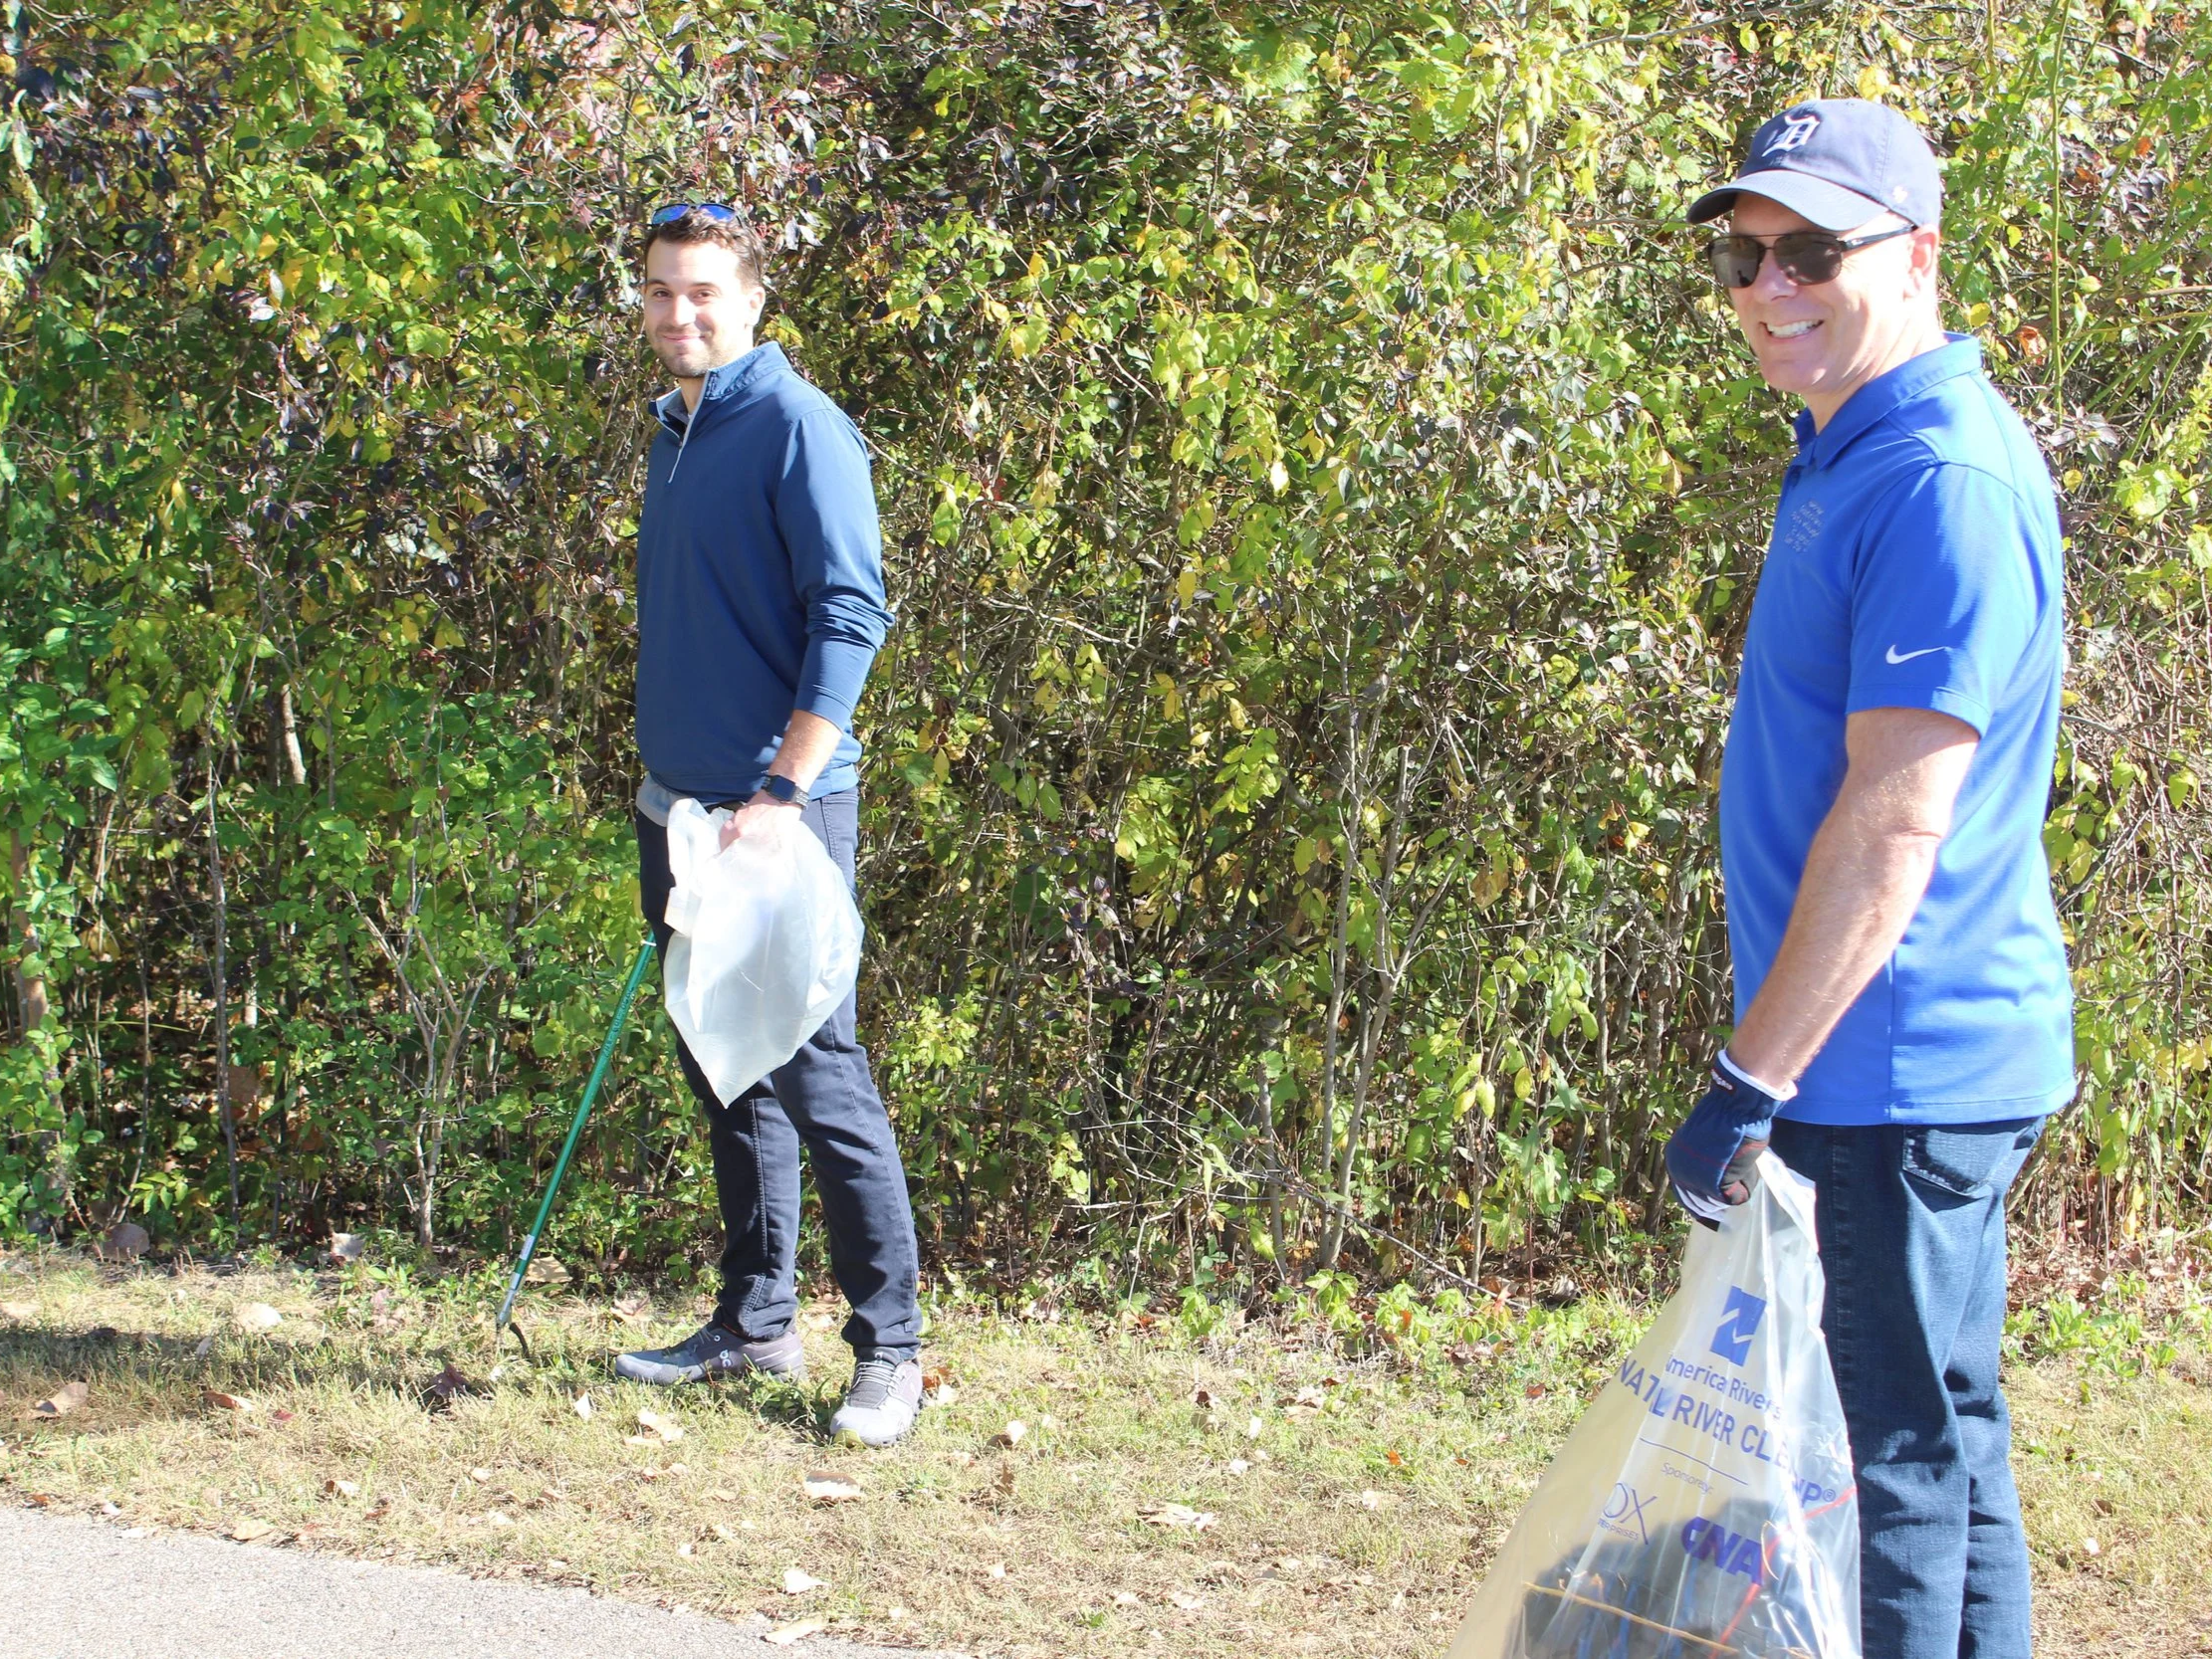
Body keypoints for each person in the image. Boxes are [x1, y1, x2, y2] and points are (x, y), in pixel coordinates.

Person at [1664, 101, 2072, 1659]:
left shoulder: (1936, 481)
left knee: (1885, 1465)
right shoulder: (1851, 444)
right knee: (1938, 1438)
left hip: (1896, 1069)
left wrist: (1746, 1072)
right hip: (1891, 1064)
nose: (1769, 285)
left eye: (1811, 251)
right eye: (1745, 253)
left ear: (1915, 256)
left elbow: (1897, 816)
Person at [612, 202, 926, 1448]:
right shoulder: (674, 430)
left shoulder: (798, 425)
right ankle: (752, 1321)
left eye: (699, 293)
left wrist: (780, 793)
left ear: (750, 299)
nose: (676, 313)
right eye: (656, 292)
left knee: (813, 1065)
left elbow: (850, 616)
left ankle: (889, 1348)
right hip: (679, 809)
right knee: (719, 1059)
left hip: (776, 811)